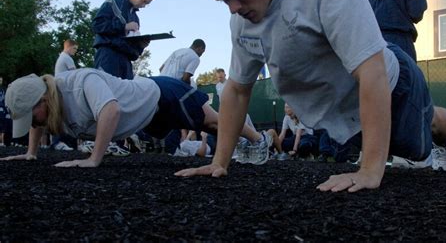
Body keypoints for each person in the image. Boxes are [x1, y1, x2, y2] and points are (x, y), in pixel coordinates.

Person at [175, 0, 446, 192]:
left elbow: (372, 72)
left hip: (394, 87)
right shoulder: (241, 24)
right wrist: (220, 162)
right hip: (350, 117)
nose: (233, 7)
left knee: (428, 133)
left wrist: (370, 169)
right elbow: (238, 90)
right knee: (404, 145)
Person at [1, 69, 272, 167]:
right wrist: (30, 153)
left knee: (211, 122)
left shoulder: (81, 81)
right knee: (210, 128)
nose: (33, 125)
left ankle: (259, 142)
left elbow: (111, 110)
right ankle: (244, 144)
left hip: (163, 93)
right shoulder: (47, 102)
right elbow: (39, 121)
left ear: (44, 98)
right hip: (148, 116)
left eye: (31, 116)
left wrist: (94, 159)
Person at [92, 0, 155, 80]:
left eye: (146, 4)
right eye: (143, 1)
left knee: (127, 94)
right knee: (106, 91)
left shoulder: (135, 18)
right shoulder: (112, 3)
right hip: (108, 56)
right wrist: (124, 26)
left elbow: (134, 55)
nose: (143, 6)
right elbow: (97, 26)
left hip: (126, 63)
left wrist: (140, 46)